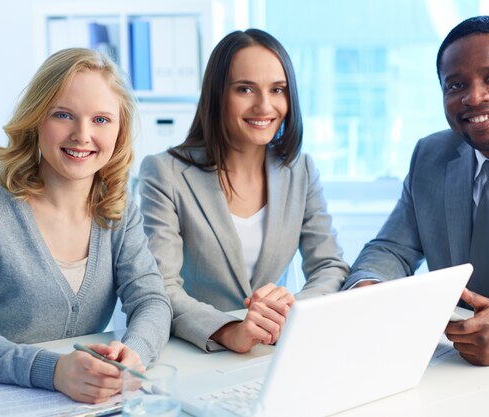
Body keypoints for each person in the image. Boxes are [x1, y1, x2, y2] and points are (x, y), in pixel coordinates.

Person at [342, 15, 489, 367]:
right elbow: (391, 248)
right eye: (455, 85)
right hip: (450, 367)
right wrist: (369, 286)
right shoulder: (430, 156)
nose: (474, 97)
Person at [0, 48, 172, 403]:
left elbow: (151, 300)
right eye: (63, 115)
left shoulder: (118, 210)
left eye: (101, 120)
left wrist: (134, 354)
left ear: (120, 131)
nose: (82, 135)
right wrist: (53, 371)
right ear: (37, 118)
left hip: (84, 403)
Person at [139, 29, 349, 354]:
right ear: (217, 95)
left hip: (273, 347)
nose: (264, 106)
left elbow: (330, 266)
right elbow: (160, 286)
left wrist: (291, 311)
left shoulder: (300, 170)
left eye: (277, 90)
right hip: (197, 351)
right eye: (245, 89)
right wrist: (229, 330)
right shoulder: (165, 173)